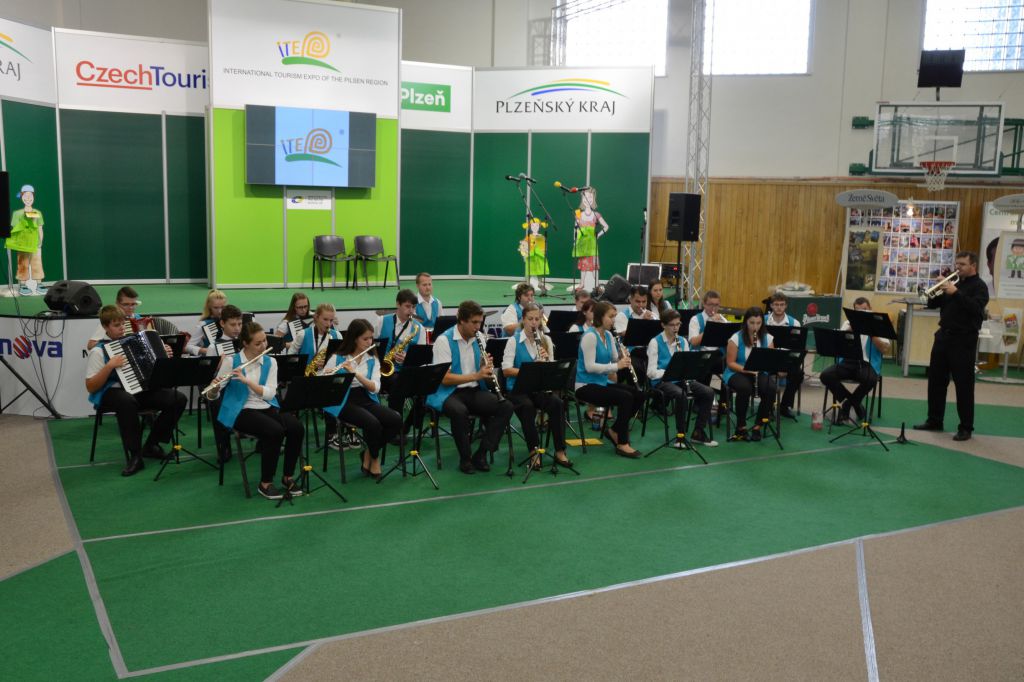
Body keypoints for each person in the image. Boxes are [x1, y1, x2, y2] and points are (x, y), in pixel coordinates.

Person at [85, 305, 187, 476]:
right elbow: (91, 386)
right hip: (109, 392)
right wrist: (109, 366)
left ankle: (152, 445)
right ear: (105, 327)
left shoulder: (135, 342)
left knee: (177, 398)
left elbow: (152, 370)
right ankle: (135, 456)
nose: (121, 328)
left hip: (137, 390)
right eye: (116, 325)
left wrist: (164, 354)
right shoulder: (98, 351)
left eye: (123, 324)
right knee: (126, 401)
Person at [208, 322, 303, 500]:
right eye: (258, 343)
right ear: (245, 343)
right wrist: (214, 389)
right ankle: (265, 483)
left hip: (267, 405)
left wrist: (247, 382)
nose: (263, 346)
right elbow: (213, 396)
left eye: (264, 341)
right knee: (275, 431)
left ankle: (288, 477)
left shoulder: (270, 361)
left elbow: (270, 394)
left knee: (296, 428)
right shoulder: (231, 361)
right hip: (241, 409)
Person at [426, 300, 515, 474]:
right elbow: (444, 379)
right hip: (449, 392)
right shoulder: (444, 341)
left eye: (479, 322)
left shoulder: (479, 337)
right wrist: (476, 375)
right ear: (462, 320)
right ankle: (465, 459)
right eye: (474, 322)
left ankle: (481, 454)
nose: (478, 327)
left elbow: (480, 372)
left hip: (473, 390)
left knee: (506, 407)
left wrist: (484, 367)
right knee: (459, 412)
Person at [914, 252, 989, 441]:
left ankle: (966, 427)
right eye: (957, 264)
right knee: (936, 382)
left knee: (964, 386)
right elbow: (932, 304)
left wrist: (955, 292)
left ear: (973, 266)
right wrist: (930, 291)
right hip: (943, 337)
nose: (958, 267)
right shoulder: (953, 284)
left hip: (964, 340)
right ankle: (934, 420)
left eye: (962, 264)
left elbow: (976, 309)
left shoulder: (980, 287)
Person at [322, 319, 402, 479]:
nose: (369, 342)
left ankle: (368, 454)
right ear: (354, 339)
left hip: (366, 398)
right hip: (343, 401)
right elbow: (324, 383)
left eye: (371, 338)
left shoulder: (372, 359)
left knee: (395, 420)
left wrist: (355, 374)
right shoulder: (338, 357)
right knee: (373, 424)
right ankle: (375, 459)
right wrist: (330, 374)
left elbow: (375, 388)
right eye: (365, 339)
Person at [502, 303, 573, 468]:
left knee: (557, 403)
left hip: (538, 388)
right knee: (527, 407)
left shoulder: (546, 340)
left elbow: (553, 370)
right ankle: (533, 451)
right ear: (523, 320)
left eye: (537, 319)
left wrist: (546, 363)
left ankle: (560, 451)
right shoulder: (514, 341)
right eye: (530, 319)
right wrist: (531, 369)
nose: (534, 323)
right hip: (518, 389)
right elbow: (506, 370)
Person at [575, 301, 643, 457]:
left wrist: (622, 356)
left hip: (601, 382)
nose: (613, 320)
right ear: (600, 317)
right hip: (585, 385)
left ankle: (614, 430)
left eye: (614, 317)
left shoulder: (609, 335)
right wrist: (617, 366)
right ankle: (622, 443)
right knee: (625, 397)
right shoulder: (590, 337)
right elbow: (590, 367)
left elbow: (613, 358)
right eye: (610, 317)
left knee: (639, 395)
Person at [647, 309, 717, 447]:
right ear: (663, 325)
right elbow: (651, 372)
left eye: (678, 324)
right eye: (672, 325)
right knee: (681, 395)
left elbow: (688, 366)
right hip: (661, 381)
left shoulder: (683, 341)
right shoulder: (654, 342)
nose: (675, 328)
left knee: (708, 392)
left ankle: (698, 432)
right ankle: (681, 435)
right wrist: (670, 372)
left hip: (680, 379)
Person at [821, 297, 890, 425]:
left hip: (867, 363)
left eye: (864, 309)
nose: (861, 313)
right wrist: (849, 331)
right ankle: (856, 404)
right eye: (858, 310)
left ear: (870, 309)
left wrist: (872, 333)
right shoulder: (848, 323)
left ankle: (847, 405)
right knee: (826, 375)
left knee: (870, 379)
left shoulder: (878, 324)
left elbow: (884, 349)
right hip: (848, 362)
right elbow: (838, 344)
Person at [723, 307, 776, 442]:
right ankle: (741, 427)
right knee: (744, 388)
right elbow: (730, 363)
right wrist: (747, 370)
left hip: (759, 371)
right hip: (737, 371)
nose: (755, 327)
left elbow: (771, 360)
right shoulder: (736, 338)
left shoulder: (768, 338)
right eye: (752, 323)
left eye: (758, 323)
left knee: (770, 388)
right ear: (746, 321)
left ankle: (758, 426)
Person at [375, 289, 426, 413]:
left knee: (424, 388)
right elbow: (371, 347)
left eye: (413, 307)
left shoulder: (419, 328)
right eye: (407, 306)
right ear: (398, 304)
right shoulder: (382, 321)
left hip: (404, 372)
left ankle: (403, 421)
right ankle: (394, 420)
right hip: (380, 371)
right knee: (398, 384)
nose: (411, 311)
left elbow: (421, 358)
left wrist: (407, 359)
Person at [765, 292, 803, 419]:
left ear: (786, 306)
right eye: (776, 305)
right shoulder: (763, 321)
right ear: (771, 305)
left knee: (798, 374)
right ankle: (768, 407)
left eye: (782, 305)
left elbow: (797, 348)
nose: (779, 307)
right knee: (765, 374)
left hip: (786, 359)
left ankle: (785, 406)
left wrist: (785, 367)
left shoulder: (795, 323)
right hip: (767, 358)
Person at [6, 184, 46, 295]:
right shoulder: (17, 214)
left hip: (35, 244)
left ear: (33, 197)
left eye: (30, 196)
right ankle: (23, 285)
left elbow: (40, 228)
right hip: (23, 244)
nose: (28, 199)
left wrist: (40, 242)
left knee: (37, 263)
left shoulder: (37, 213)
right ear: (22, 197)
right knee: (22, 264)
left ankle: (39, 284)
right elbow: (14, 229)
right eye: (25, 196)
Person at [87, 286, 149, 350]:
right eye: (126, 304)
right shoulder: (111, 321)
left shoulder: (139, 319)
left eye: (133, 304)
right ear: (117, 303)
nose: (130, 308)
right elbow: (90, 345)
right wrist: (114, 345)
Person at [571, 187, 608, 293]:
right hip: (582, 244)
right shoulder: (578, 214)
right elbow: (575, 229)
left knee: (594, 265)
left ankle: (596, 285)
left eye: (590, 197)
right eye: (586, 197)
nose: (588, 199)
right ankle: (582, 284)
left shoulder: (596, 215)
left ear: (593, 199)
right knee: (583, 264)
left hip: (592, 245)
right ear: (582, 199)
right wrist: (575, 241)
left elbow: (606, 226)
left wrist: (598, 235)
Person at [288, 303, 341, 374]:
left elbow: (341, 361)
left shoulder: (337, 335)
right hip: (305, 377)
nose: (328, 324)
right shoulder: (303, 334)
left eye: (331, 320)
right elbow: (290, 357)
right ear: (316, 317)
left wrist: (328, 363)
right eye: (325, 319)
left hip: (327, 376)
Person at [186, 289, 228, 356]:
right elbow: (188, 347)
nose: (220, 311)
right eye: (216, 308)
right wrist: (205, 350)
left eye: (223, 307)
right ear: (209, 307)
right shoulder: (204, 324)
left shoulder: (231, 321)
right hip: (213, 359)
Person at [519, 217, 550, 292]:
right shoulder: (528, 237)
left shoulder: (541, 237)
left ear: (539, 227)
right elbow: (523, 246)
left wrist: (543, 250)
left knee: (540, 269)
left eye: (536, 225)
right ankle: (527, 284)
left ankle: (540, 283)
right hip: (530, 256)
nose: (535, 227)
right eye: (533, 225)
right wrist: (524, 254)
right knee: (529, 270)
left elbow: (544, 247)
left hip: (539, 256)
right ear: (530, 227)